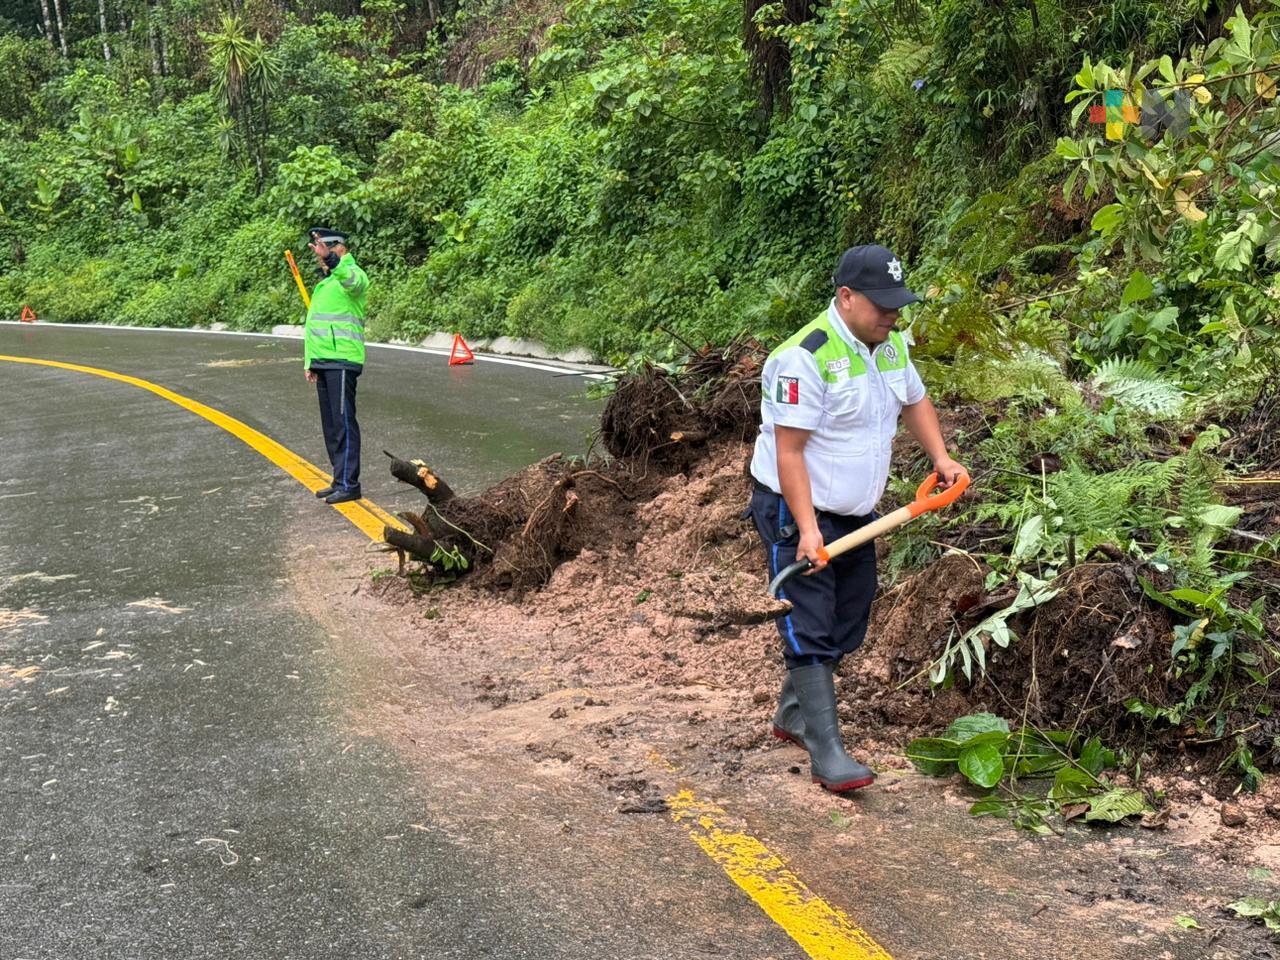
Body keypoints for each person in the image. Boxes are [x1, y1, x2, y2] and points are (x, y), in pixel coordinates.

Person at [747, 244, 966, 792]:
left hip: (856, 513)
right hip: (796, 510)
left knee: (850, 614)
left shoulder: (888, 346)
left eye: (898, 306)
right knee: (810, 622)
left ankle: (793, 713)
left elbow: (914, 401)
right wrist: (808, 529)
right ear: (845, 298)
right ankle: (827, 752)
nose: (892, 316)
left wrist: (940, 457)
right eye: (881, 306)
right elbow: (789, 452)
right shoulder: (804, 357)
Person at [302, 227, 369, 505]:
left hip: (342, 360)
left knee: (343, 423)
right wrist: (310, 362)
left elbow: (354, 283)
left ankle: (349, 483)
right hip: (324, 361)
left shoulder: (352, 274)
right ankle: (339, 478)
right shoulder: (326, 283)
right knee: (330, 426)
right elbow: (313, 325)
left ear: (338, 247)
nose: (319, 256)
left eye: (324, 249)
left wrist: (332, 261)